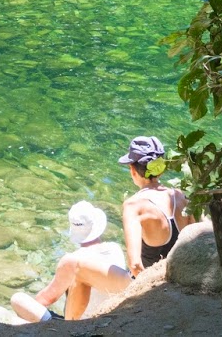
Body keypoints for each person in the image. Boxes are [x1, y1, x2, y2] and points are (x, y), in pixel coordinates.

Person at [10, 201, 132, 322]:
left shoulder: (72, 261)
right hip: (109, 320)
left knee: (18, 299)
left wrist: (33, 306)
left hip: (79, 326)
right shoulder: (115, 248)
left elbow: (47, 299)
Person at [119, 135, 193, 277]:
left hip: (148, 283)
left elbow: (135, 265)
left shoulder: (133, 206)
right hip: (181, 275)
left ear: (132, 170)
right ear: (161, 169)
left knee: (78, 266)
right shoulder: (179, 196)